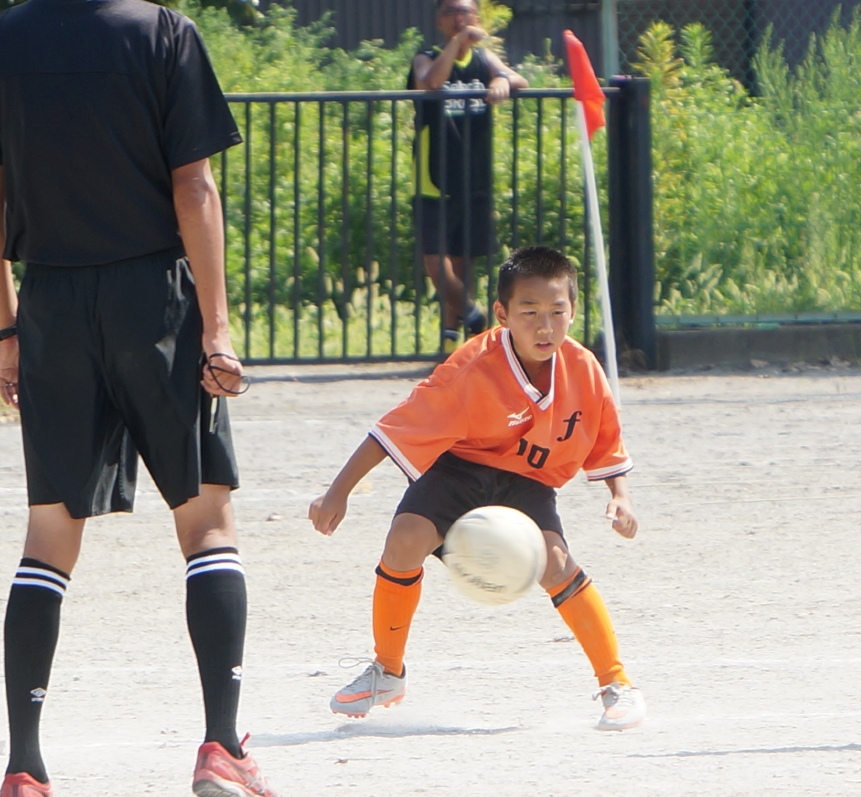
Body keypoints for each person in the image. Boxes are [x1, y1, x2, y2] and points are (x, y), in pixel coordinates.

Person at [0, 1, 278, 795]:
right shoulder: (163, 33)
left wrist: (8, 327)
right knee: (206, 518)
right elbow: (194, 186)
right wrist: (216, 328)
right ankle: (221, 745)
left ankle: (24, 765)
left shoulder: (6, 37)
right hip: (154, 297)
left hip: (51, 303)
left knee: (48, 533)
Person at [309, 245, 646, 731]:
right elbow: (394, 429)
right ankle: (387, 671)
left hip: (528, 482)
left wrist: (620, 496)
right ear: (502, 314)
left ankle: (617, 683)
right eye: (530, 312)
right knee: (404, 540)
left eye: (557, 311)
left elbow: (606, 440)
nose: (545, 326)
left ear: (573, 311)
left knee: (555, 563)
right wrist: (337, 492)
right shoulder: (471, 368)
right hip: (459, 469)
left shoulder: (584, 369)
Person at [408, 0, 528, 347]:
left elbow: (518, 78)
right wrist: (457, 43)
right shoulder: (426, 57)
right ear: (438, 21)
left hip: (473, 175)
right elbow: (431, 82)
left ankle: (453, 340)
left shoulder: (484, 60)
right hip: (434, 177)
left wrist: (502, 79)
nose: (459, 18)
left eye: (465, 12)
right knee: (436, 263)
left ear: (476, 17)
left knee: (463, 262)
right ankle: (476, 318)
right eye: (450, 12)